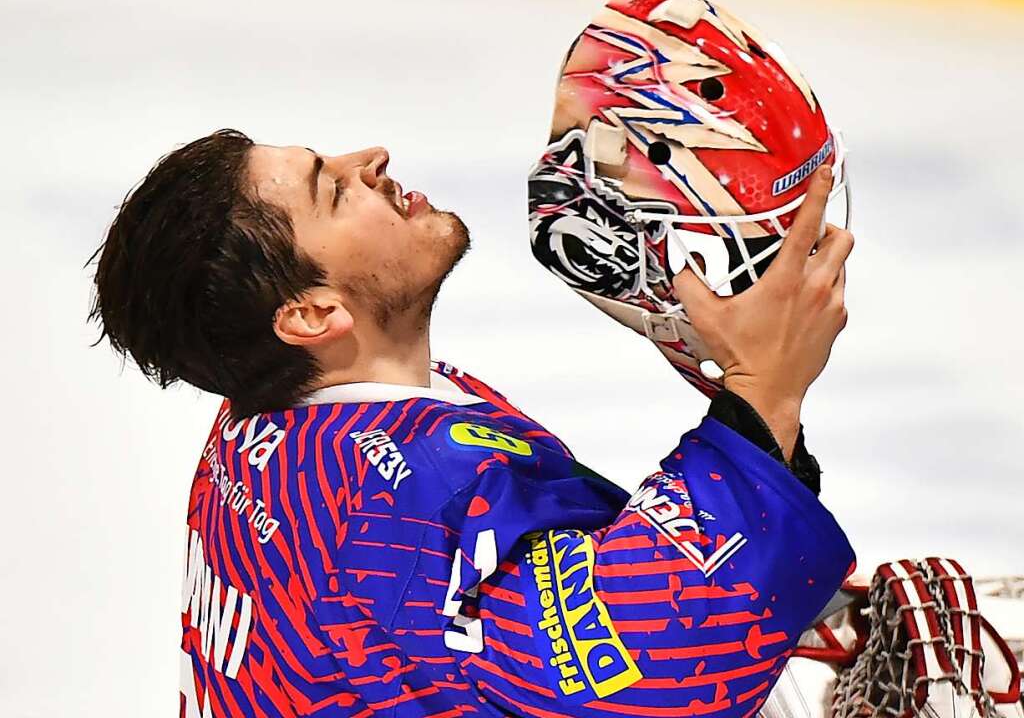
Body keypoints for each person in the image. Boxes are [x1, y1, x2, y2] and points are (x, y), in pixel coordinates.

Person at [90, 124, 854, 716]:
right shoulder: (403, 493)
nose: (371, 160)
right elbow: (636, 683)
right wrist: (764, 393)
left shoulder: (263, 424)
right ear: (313, 313)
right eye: (332, 189)